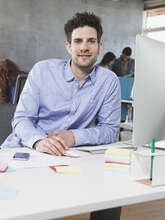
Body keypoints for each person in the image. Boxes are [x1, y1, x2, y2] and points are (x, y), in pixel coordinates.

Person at [1, 12, 121, 220]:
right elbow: (21, 119)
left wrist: (73, 136)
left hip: (68, 158)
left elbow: (110, 130)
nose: (84, 47)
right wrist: (38, 141)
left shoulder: (109, 81)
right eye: (78, 41)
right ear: (69, 47)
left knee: (113, 192)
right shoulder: (42, 71)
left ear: (99, 47)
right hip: (24, 153)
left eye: (91, 41)